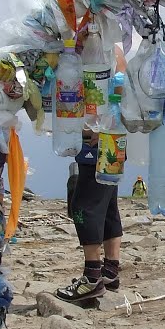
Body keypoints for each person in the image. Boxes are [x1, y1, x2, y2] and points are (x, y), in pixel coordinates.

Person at [57, 129, 122, 304]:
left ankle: (92, 278)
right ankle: (110, 271)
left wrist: (98, 129)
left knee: (84, 206)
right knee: (108, 204)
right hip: (115, 140)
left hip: (99, 141)